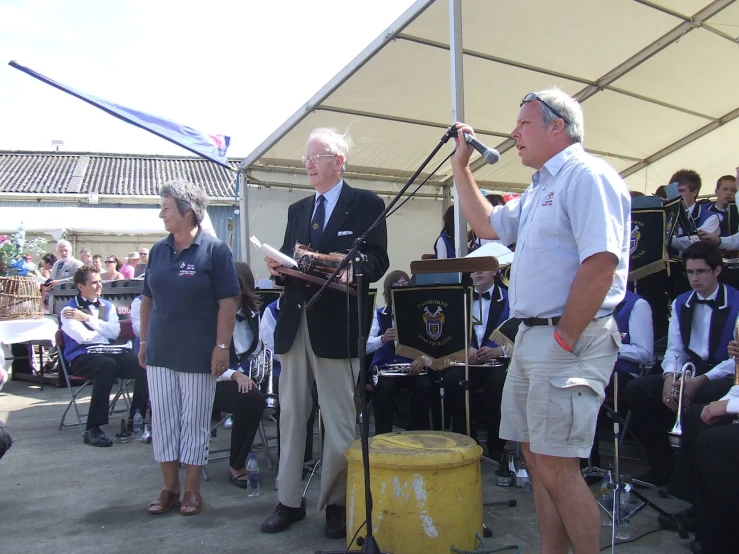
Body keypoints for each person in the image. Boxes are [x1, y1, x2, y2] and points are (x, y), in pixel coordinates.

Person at [449, 89, 630, 553]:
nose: (514, 134)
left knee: (556, 463)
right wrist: (461, 168)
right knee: (536, 457)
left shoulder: (587, 177)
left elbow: (601, 263)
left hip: (566, 337)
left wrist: (565, 339)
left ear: (557, 127)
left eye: (524, 124)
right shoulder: (541, 188)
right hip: (534, 337)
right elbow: (489, 225)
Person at [261, 127, 389, 538]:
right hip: (296, 322)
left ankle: (336, 504)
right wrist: (279, 269)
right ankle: (289, 500)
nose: (310, 165)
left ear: (340, 161)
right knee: (292, 415)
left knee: (338, 422)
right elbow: (290, 262)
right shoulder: (298, 209)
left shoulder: (366, 203)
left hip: (337, 326)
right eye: (306, 160)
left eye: (317, 157)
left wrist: (350, 266)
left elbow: (377, 262)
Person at [137, 179, 240, 516]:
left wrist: (221, 347)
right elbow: (147, 300)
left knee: (194, 421)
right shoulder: (158, 250)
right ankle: (169, 487)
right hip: (160, 351)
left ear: (187, 211)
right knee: (163, 420)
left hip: (198, 353)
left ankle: (192, 490)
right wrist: (143, 340)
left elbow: (229, 302)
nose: (161, 214)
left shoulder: (215, 250)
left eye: (166, 208)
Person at [625, 242, 738, 486]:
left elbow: (735, 359)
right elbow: (675, 349)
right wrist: (669, 377)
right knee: (638, 390)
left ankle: (691, 481)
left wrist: (702, 380)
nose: (694, 279)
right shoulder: (681, 302)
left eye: (700, 272)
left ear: (717, 270)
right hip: (693, 369)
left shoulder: (736, 302)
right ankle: (662, 467)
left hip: (723, 374)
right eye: (689, 272)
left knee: (705, 394)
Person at [59, 266, 149, 447]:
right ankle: (92, 428)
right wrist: (103, 331)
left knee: (142, 363)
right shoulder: (68, 309)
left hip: (107, 353)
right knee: (106, 366)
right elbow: (83, 338)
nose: (99, 285)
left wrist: (87, 319)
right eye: (94, 282)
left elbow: (114, 333)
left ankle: (136, 417)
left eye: (100, 281)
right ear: (80, 286)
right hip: (81, 357)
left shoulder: (107, 306)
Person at [444, 269, 510, 460]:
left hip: (497, 361)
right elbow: (448, 333)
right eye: (473, 269)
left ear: (495, 272)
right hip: (466, 361)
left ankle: (497, 444)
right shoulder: (458, 300)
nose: (478, 272)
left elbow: (518, 334)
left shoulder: (509, 298)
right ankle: (465, 439)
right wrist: (464, 350)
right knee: (452, 381)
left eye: (484, 268)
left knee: (499, 385)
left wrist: (498, 351)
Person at [212, 262, 267, 488]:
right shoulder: (210, 316)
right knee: (252, 399)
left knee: (292, 391)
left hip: (248, 379)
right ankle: (237, 464)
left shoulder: (253, 314)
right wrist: (235, 375)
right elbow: (207, 360)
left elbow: (259, 349)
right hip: (213, 381)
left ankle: (292, 461)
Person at [588, 289, 654, 468]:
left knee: (584, 391)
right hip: (593, 368)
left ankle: (590, 464)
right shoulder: (590, 299)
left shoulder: (637, 305)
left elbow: (645, 353)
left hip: (622, 372)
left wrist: (609, 347)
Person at [366, 270, 431, 435]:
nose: (402, 288)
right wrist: (382, 339)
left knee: (424, 386)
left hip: (412, 367)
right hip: (386, 370)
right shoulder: (379, 314)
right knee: (383, 388)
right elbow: (365, 346)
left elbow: (431, 344)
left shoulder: (420, 314)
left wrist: (423, 359)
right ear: (388, 289)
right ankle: (383, 436)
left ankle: (417, 434)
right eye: (397, 285)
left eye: (405, 284)